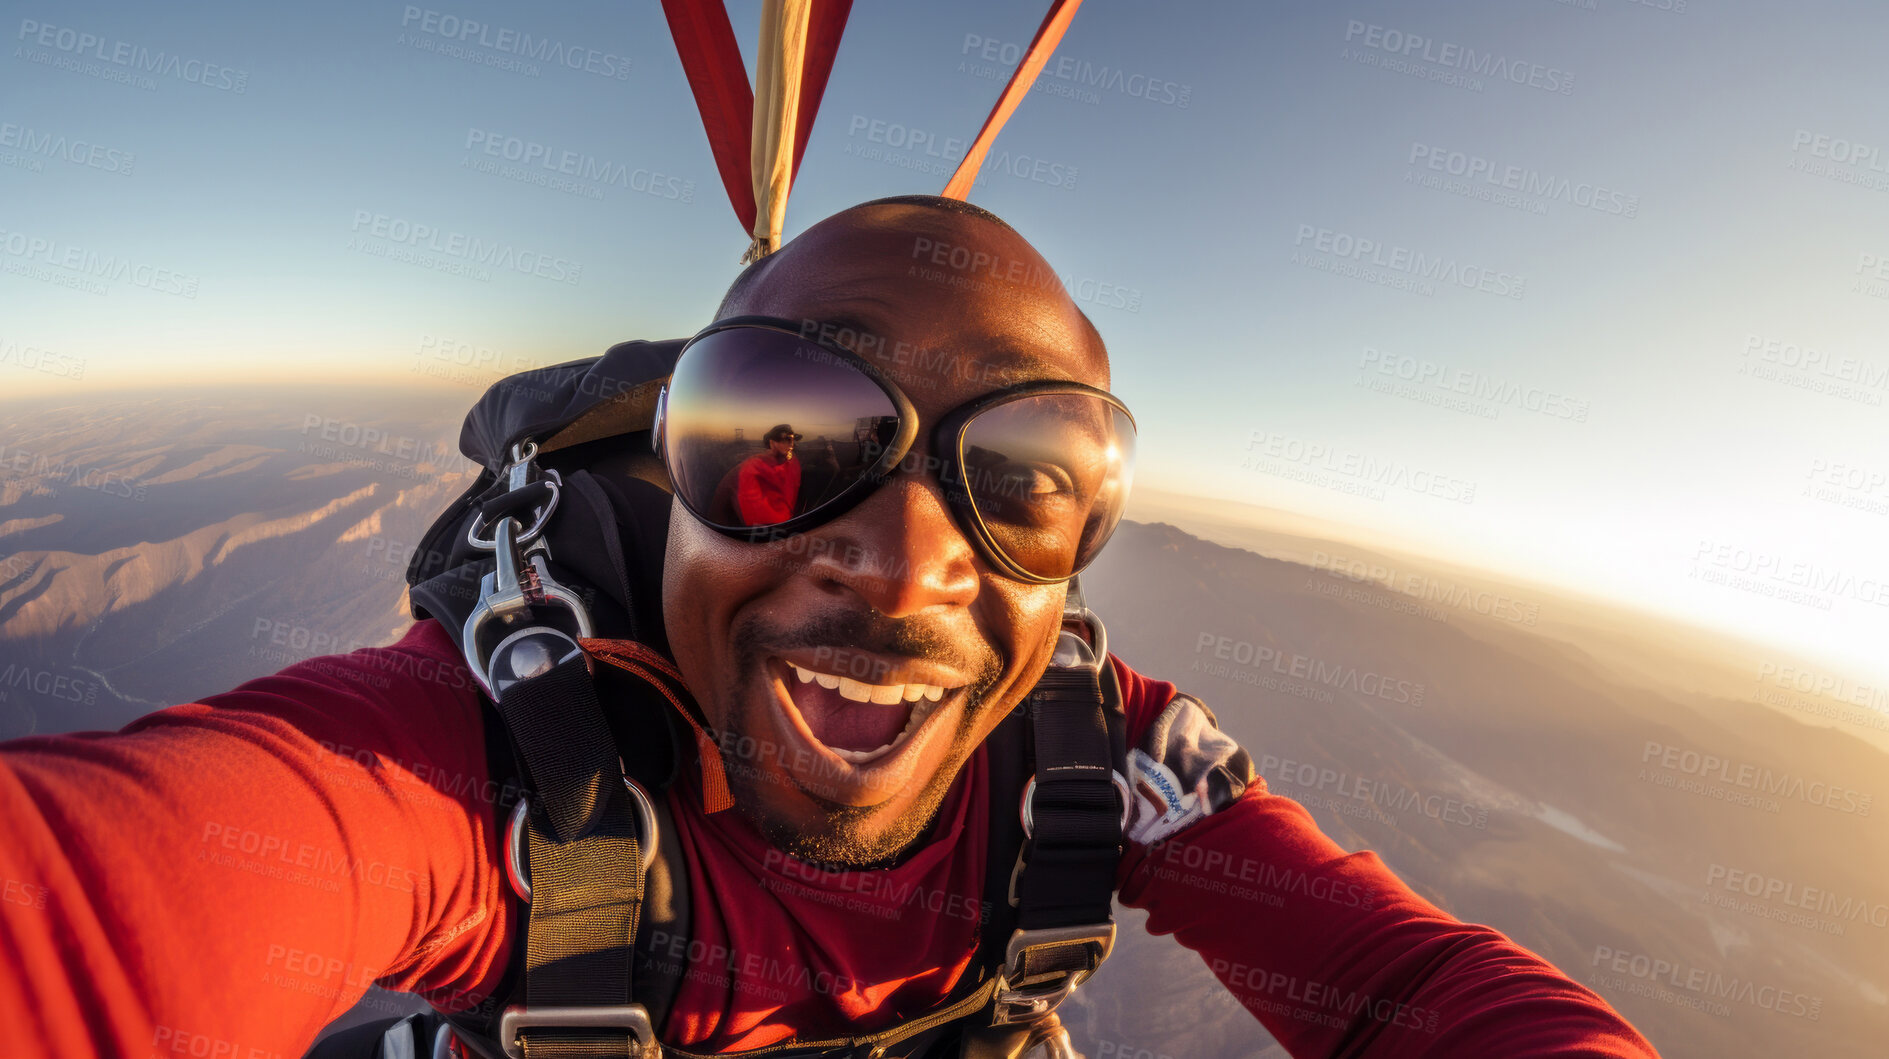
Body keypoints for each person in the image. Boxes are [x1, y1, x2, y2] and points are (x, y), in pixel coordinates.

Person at [0, 196, 1660, 1058]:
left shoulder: (1098, 754)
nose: (904, 552)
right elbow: (107, 898)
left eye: (1023, 472)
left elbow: (1402, 987)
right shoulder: (483, 763)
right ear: (678, 464)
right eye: (790, 437)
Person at [734, 424, 803, 526]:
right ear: (772, 443)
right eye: (786, 440)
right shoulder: (752, 468)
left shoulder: (793, 463)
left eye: (793, 440)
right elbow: (756, 517)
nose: (791, 445)